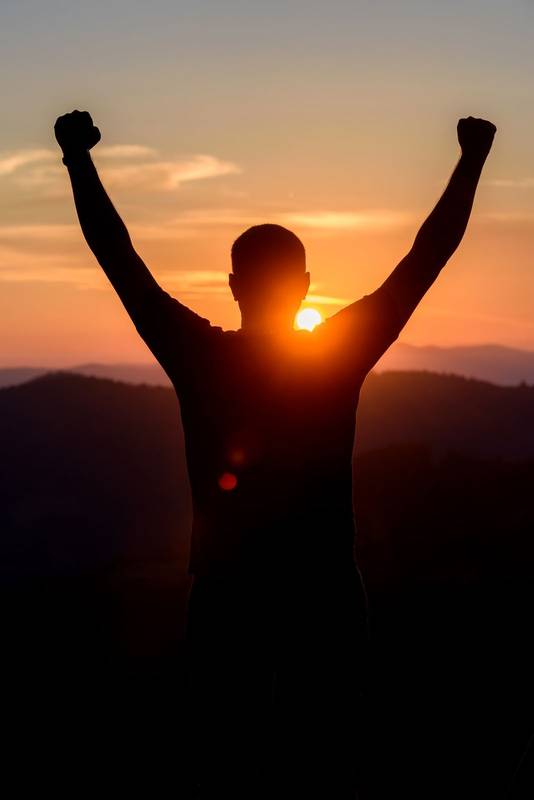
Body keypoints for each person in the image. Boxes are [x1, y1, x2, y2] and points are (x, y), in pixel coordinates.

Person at [54, 110, 496, 798]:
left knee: (225, 767)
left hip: (227, 597)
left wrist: (78, 159)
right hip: (324, 595)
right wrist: (471, 160)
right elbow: (424, 259)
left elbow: (120, 260)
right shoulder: (335, 358)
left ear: (234, 284)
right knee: (325, 767)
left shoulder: (199, 357)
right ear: (306, 285)